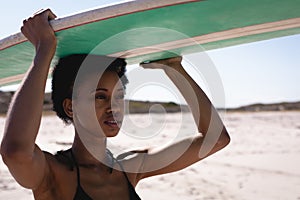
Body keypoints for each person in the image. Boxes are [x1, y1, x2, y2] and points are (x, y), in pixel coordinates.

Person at [0, 9, 230, 200]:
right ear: (71, 107)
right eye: (100, 96)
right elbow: (15, 151)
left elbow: (216, 139)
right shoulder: (54, 174)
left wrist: (175, 69)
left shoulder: (130, 168)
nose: (115, 107)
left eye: (119, 96)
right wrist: (44, 51)